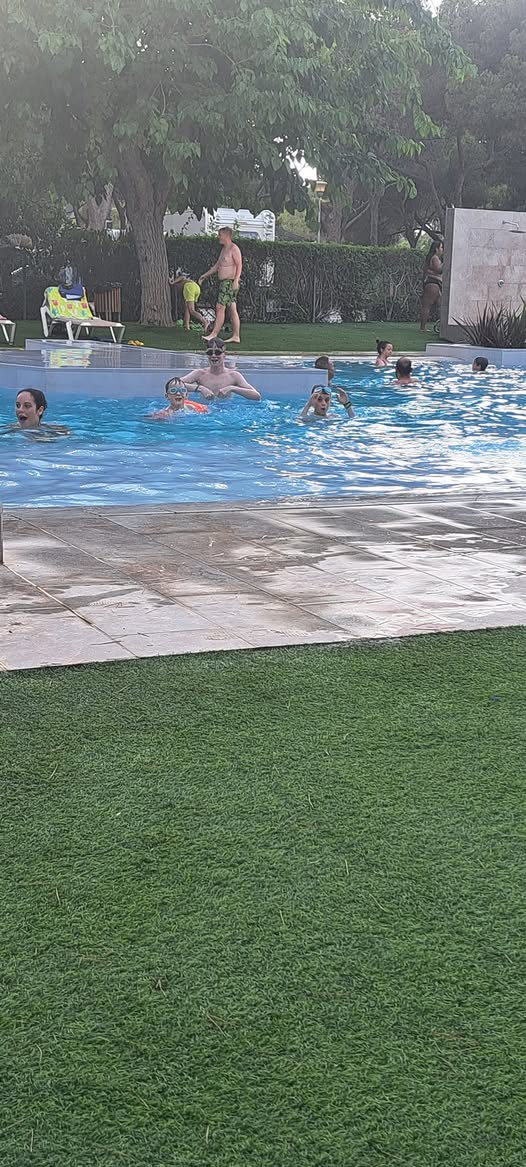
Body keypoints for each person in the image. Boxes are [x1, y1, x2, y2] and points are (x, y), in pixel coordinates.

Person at [177, 338, 261, 400]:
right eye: (210, 353)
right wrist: (200, 389)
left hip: (227, 412)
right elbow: (173, 384)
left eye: (217, 352)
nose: (213, 356)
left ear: (225, 354)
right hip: (205, 411)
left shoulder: (233, 376)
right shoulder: (199, 374)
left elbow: (256, 396)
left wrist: (232, 388)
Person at [199, 227, 243, 343]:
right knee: (232, 308)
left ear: (227, 236)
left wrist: (236, 280)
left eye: (220, 235)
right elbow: (217, 266)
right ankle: (236, 335)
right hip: (224, 282)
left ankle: (214, 334)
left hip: (229, 282)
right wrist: (204, 275)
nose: (218, 237)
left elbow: (239, 265)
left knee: (220, 307)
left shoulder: (234, 249)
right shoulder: (224, 249)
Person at [1, 388, 70, 439]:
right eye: (18, 405)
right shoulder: (6, 431)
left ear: (40, 410)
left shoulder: (57, 432)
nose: (20, 410)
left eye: (27, 406)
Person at [144, 379, 209, 421]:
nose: (178, 393)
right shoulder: (165, 413)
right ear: (167, 396)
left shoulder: (192, 408)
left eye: (182, 390)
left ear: (186, 395)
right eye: (173, 391)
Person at [420, 239, 443, 331]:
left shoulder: (431, 258)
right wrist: (445, 263)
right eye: (441, 247)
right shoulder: (434, 258)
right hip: (433, 284)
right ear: (436, 249)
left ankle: (440, 326)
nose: (442, 250)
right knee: (427, 306)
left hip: (434, 284)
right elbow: (438, 269)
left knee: (440, 305)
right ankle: (423, 327)